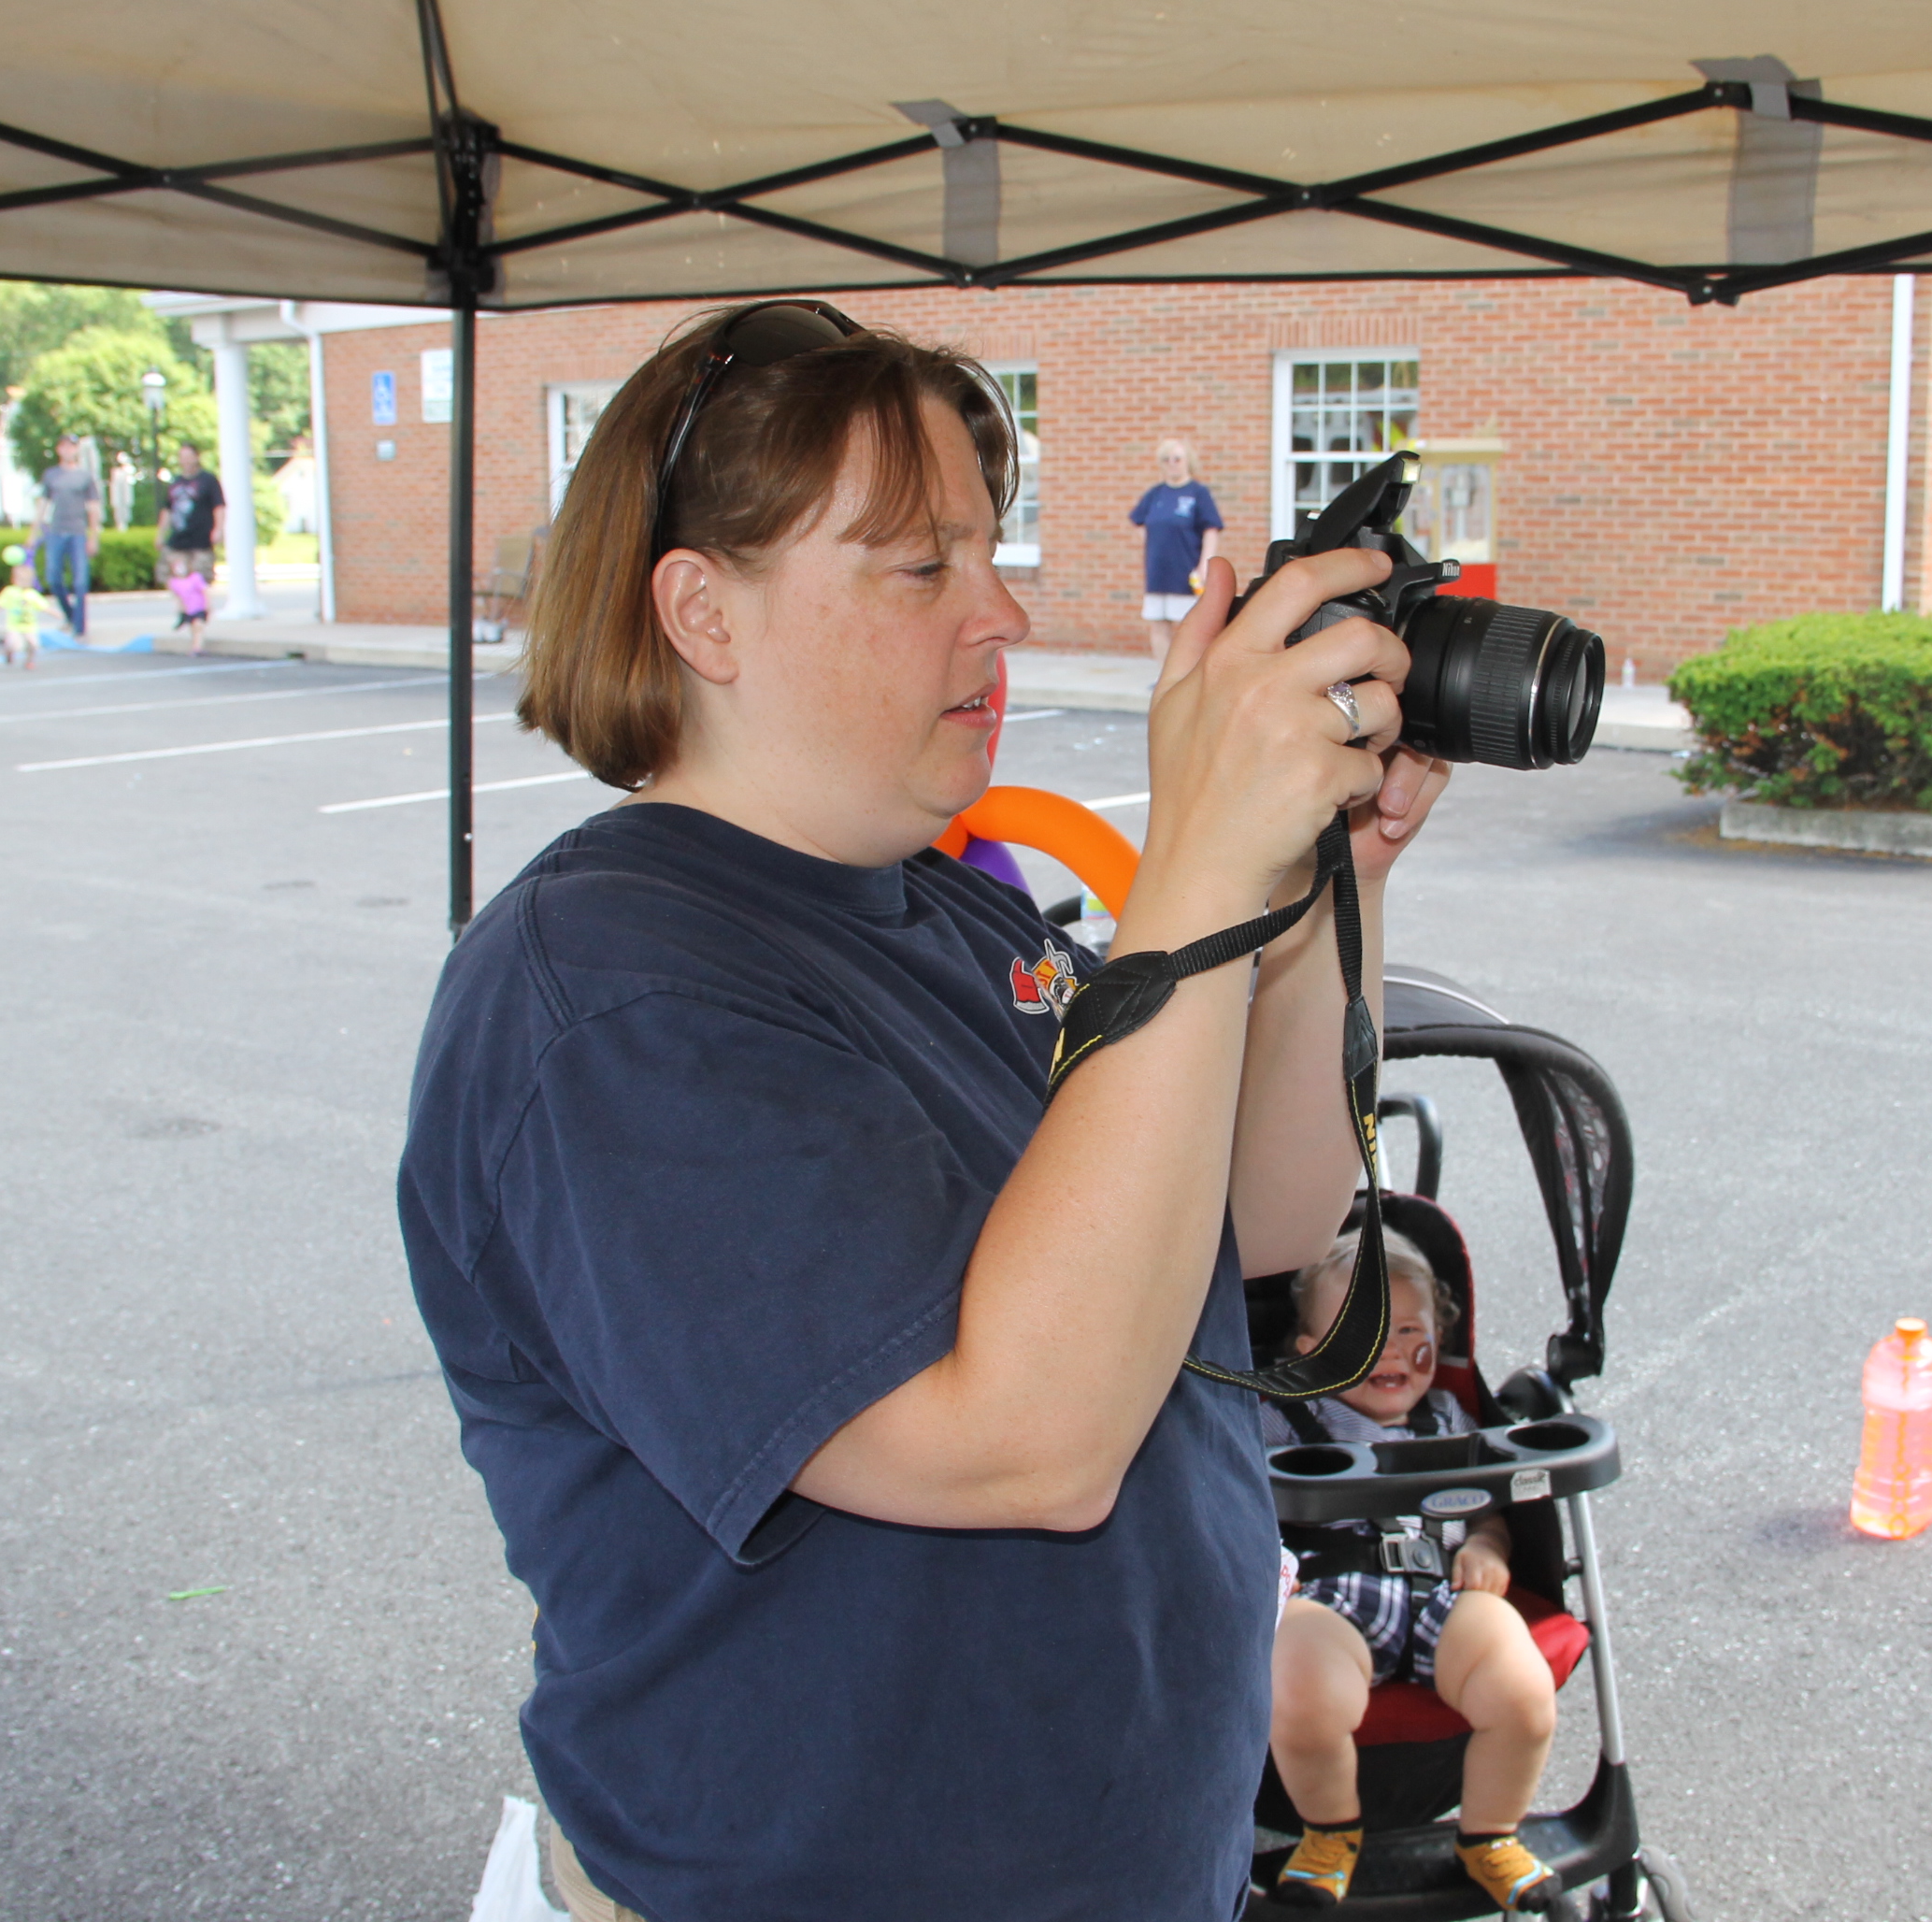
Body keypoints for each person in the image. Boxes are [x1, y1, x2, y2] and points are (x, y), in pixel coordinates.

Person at [398, 300, 1451, 1922]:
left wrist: (1327, 889)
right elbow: (1019, 1445)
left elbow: (1255, 1220)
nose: (1003, 610)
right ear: (703, 612)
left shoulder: (952, 910)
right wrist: (1190, 871)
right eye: (919, 565)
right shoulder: (609, 993)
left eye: (989, 547)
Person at [1263, 1231, 1566, 1915]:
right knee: (1300, 1692)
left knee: (1522, 1693)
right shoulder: (1281, 1420)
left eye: (1407, 1331)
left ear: (1439, 1337)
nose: (1390, 1350)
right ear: (1309, 1354)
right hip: (1330, 1595)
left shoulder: (1451, 1420)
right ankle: (1330, 1832)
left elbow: (1488, 1509)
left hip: (1445, 1590)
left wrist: (1490, 1545)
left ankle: (1489, 1834)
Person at [1131, 436, 1224, 663]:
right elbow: (1139, 521)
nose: (1172, 463)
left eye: (1177, 458)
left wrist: (1204, 565)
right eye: (1166, 459)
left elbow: (1211, 530)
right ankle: (1164, 675)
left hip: (1186, 572)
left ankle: (1186, 674)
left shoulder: (1198, 493)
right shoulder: (1156, 494)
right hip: (1158, 573)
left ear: (1187, 461)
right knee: (1159, 626)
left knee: (1188, 628)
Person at [32, 435, 101, 638]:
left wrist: (94, 536)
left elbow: (93, 508)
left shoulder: (85, 477)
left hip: (78, 532)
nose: (68, 450)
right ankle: (70, 615)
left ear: (76, 450)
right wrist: (33, 532)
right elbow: (43, 504)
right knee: (53, 578)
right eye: (64, 447)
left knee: (80, 581)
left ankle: (80, 627)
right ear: (59, 449)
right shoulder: (51, 475)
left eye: (71, 447)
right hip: (56, 531)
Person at [161, 440, 227, 647]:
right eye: (182, 456)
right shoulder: (175, 482)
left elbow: (219, 506)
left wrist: (218, 529)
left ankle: (198, 623)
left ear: (197, 457)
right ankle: (184, 611)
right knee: (174, 580)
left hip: (201, 539)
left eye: (189, 456)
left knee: (199, 583)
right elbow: (167, 509)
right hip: (179, 540)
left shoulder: (208, 480)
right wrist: (160, 533)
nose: (186, 460)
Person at [0, 544, 47, 669]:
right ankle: (9, 652)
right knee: (14, 645)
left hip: (29, 626)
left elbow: (43, 606)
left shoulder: (32, 594)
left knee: (33, 644)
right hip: (14, 626)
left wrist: (55, 613)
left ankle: (30, 661)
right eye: (22, 579)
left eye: (27, 580)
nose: (25, 582)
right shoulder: (10, 592)